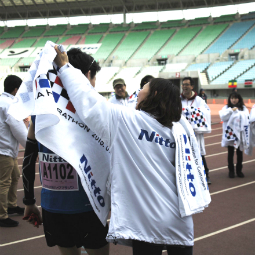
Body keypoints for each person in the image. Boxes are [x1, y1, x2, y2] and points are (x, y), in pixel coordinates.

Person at [53, 46, 211, 255]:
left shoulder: (128, 121)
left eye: (144, 87)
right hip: (180, 220)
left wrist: (64, 67)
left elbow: (88, 102)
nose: (139, 91)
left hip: (147, 222)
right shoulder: (180, 128)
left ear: (153, 94)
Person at [22, 48, 109, 255]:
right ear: (88, 76)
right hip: (90, 206)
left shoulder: (41, 110)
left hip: (53, 207)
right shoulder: (96, 112)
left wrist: (28, 201)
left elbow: (28, 158)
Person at [0, 75, 28, 227]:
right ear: (16, 89)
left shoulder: (3, 102)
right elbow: (19, 130)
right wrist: (32, 148)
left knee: (14, 176)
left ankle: (10, 205)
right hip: (4, 150)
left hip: (6, 149)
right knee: (4, 182)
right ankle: (2, 215)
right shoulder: (9, 104)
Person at [181, 77, 212, 184]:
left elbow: (206, 112)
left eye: (187, 84)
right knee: (183, 154)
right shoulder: (177, 99)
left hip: (195, 133)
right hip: (182, 133)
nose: (184, 86)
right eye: (183, 84)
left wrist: (191, 112)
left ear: (192, 86)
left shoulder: (198, 100)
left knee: (199, 153)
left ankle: (205, 175)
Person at [219, 92, 249, 178]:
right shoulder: (226, 107)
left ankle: (239, 170)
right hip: (230, 134)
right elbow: (222, 116)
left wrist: (238, 112)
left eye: (235, 98)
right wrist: (231, 110)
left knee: (240, 153)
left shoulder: (243, 108)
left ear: (239, 99)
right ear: (229, 99)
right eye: (232, 98)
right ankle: (231, 171)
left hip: (240, 134)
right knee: (230, 153)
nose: (234, 100)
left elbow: (246, 117)